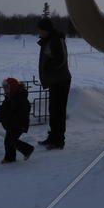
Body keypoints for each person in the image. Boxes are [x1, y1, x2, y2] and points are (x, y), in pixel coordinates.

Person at [37, 17, 71, 149]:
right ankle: (53, 137)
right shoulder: (49, 40)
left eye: (40, 29)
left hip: (61, 81)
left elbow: (60, 60)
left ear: (46, 30)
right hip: (55, 80)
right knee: (53, 111)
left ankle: (58, 141)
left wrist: (47, 67)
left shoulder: (56, 40)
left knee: (58, 111)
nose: (38, 32)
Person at [0, 78, 34, 163]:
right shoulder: (9, 97)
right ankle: (10, 158)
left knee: (11, 141)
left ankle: (27, 149)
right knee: (8, 141)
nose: (5, 90)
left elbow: (22, 114)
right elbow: (4, 109)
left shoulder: (21, 99)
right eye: (4, 88)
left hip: (19, 125)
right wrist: (1, 117)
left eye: (7, 88)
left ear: (13, 88)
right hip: (10, 124)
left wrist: (11, 121)